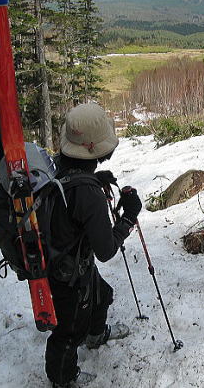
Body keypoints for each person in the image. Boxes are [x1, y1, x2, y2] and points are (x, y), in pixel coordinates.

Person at [45, 102, 142, 387]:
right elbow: (106, 250)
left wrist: (94, 178)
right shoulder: (88, 194)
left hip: (62, 256)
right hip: (67, 271)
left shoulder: (58, 165)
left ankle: (96, 335)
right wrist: (130, 217)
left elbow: (70, 191)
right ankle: (62, 378)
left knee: (102, 294)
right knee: (68, 330)